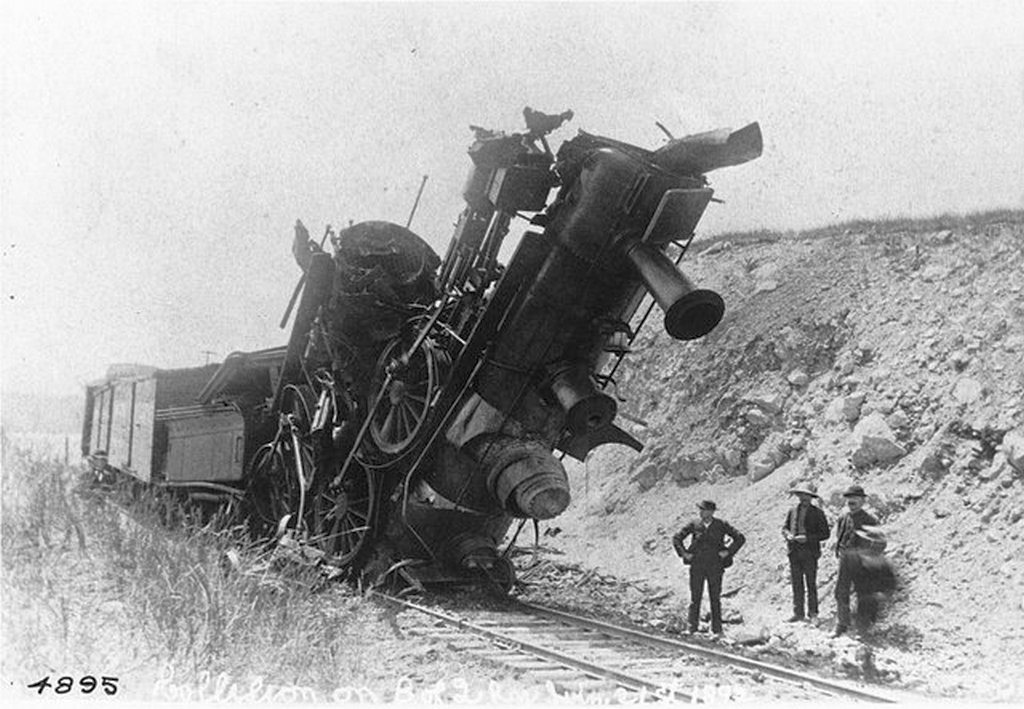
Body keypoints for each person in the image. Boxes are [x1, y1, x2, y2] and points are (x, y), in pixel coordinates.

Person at [672, 500, 746, 637]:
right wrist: (684, 554)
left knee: (715, 597)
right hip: (697, 565)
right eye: (700, 510)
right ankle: (691, 627)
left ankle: (717, 629)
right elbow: (677, 538)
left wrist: (728, 552)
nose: (701, 512)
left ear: (711, 512)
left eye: (704, 510)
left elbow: (740, 538)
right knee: (695, 597)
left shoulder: (721, 525)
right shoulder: (694, 524)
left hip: (715, 566)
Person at [832, 484, 879, 637]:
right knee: (840, 592)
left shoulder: (869, 520)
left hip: (862, 562)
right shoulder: (843, 517)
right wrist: (838, 549)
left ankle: (862, 629)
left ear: (862, 501)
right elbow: (840, 535)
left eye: (854, 499)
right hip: (845, 560)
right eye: (848, 499)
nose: (851, 502)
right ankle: (842, 624)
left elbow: (879, 543)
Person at [781, 482, 830, 622]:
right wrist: (788, 535)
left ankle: (813, 613)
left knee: (811, 583)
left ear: (811, 497)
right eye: (801, 495)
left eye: (807, 495)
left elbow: (825, 534)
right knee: (797, 583)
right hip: (794, 551)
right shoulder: (792, 511)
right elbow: (784, 528)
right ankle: (798, 613)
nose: (804, 498)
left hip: (810, 552)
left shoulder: (818, 513)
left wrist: (807, 538)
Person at [849, 526, 897, 634]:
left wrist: (885, 592)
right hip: (864, 591)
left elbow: (890, 581)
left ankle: (865, 629)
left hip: (874, 592)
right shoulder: (861, 558)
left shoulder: (882, 562)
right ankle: (863, 629)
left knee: (868, 607)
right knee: (864, 606)